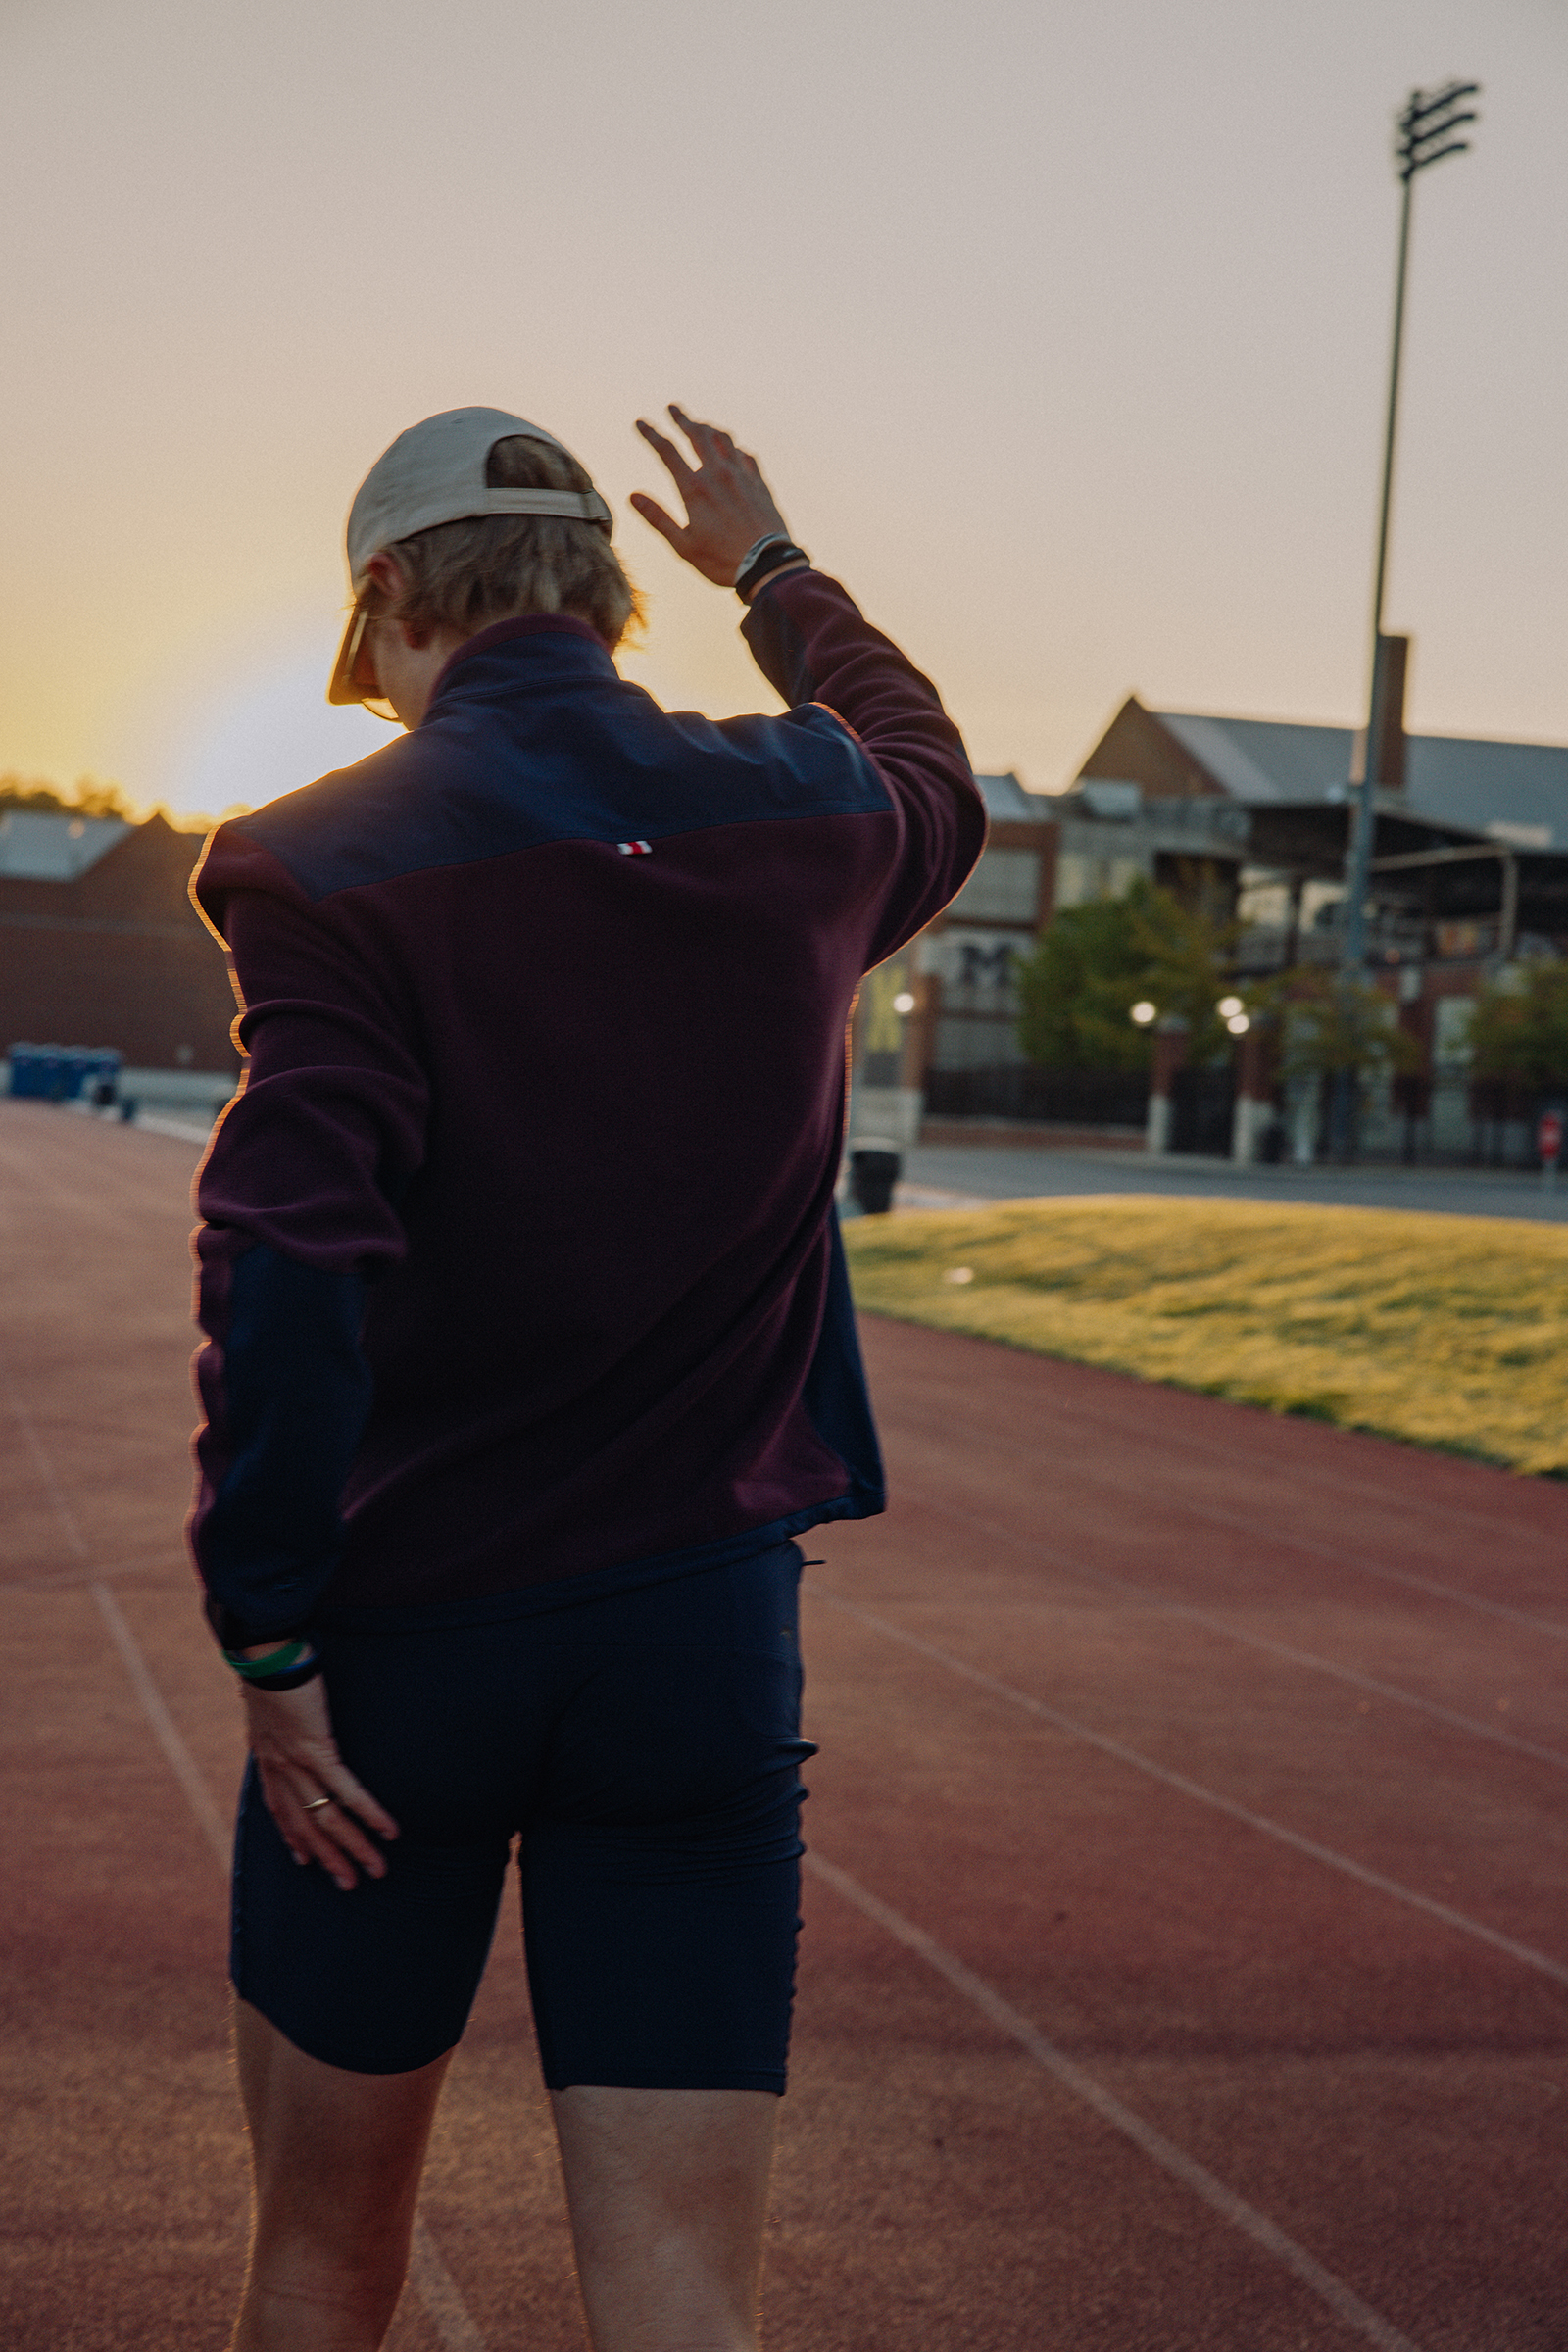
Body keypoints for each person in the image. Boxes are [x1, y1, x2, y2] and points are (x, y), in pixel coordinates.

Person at [188, 402, 984, 2352]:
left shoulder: (318, 861)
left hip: (403, 1655)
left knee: (318, 2260)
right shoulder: (810, 814)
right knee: (682, 2296)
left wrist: (269, 1635)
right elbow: (929, 766)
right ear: (610, 592)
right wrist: (776, 569)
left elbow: (289, 1258)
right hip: (695, 1650)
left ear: (386, 603)